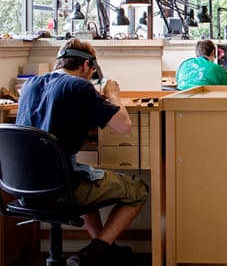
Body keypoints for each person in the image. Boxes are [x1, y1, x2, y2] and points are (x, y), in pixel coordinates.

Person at [15, 38, 148, 265]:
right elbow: (124, 126)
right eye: (91, 71)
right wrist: (113, 93)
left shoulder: (29, 85)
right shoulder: (79, 86)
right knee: (138, 191)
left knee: (86, 173)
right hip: (59, 190)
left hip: (22, 188)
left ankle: (103, 250)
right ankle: (93, 254)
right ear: (86, 66)